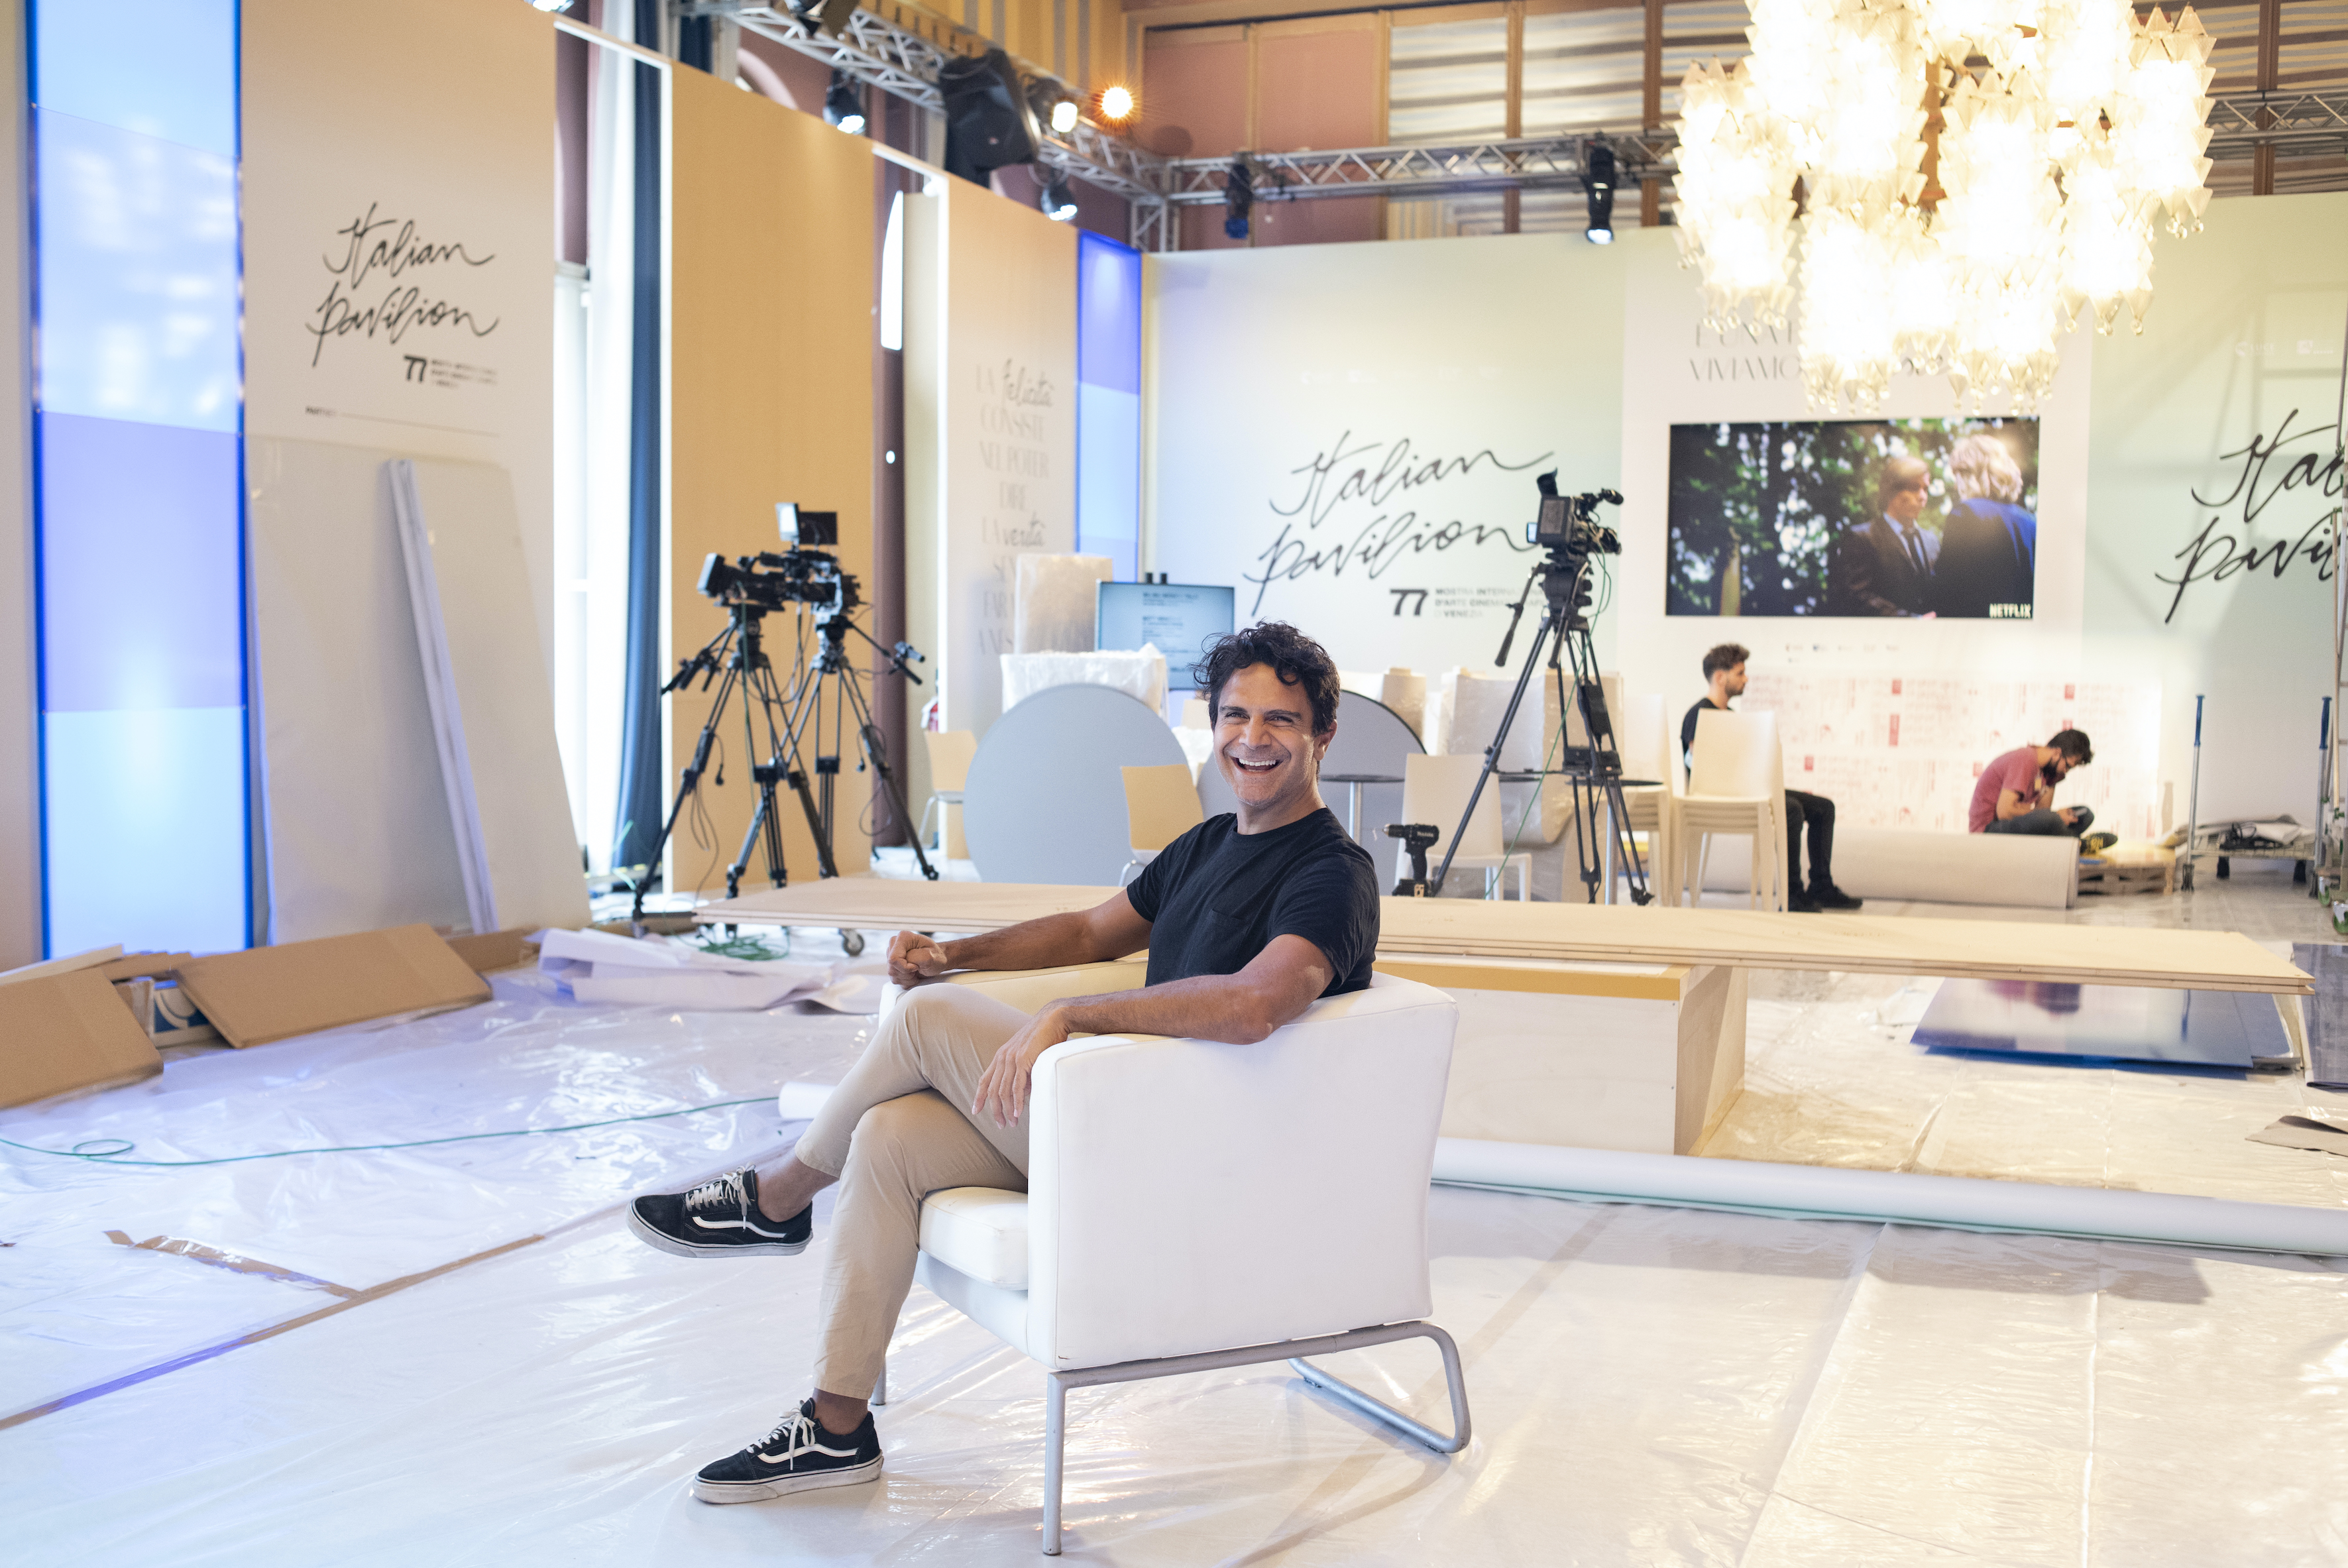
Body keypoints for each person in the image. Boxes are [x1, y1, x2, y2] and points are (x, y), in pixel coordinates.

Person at [624, 621, 1379, 1506]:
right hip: (1111, 1117)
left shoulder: (1332, 872)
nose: (1253, 737)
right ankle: (835, 1427)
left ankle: (779, 1196)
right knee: (887, 1134)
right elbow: (1088, 931)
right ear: (1211, 725)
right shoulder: (1208, 844)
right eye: (1236, 715)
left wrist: (1072, 1013)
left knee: (925, 1018)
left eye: (1281, 719)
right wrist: (952, 954)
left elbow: (1255, 1003)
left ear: (1323, 736)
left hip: (1182, 1152)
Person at [1681, 642, 1862, 913]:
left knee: (1823, 808)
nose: (1746, 679)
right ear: (1720, 677)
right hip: (1723, 795)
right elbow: (1701, 765)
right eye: (1740, 673)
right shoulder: (1699, 714)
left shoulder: (1731, 716)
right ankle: (1792, 894)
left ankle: (1821, 886)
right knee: (1791, 810)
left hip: (1746, 788)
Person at [1932, 433, 2037, 619]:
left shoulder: (1966, 513)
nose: (1956, 485)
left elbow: (1947, 591)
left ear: (1969, 474)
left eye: (1958, 474)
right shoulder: (2031, 521)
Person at [1827, 455, 1938, 617]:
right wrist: (1913, 622)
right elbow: (1857, 597)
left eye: (1926, 489)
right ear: (1891, 490)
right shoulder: (1862, 538)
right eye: (1914, 488)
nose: (1923, 497)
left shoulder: (1932, 542)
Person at [1970, 730, 2096, 836]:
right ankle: (2079, 845)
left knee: (2085, 814)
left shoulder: (2052, 771)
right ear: (2057, 753)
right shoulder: (2025, 759)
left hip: (2015, 823)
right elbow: (2005, 812)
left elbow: (2042, 811)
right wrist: (2056, 816)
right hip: (1988, 829)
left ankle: (2071, 842)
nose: (2066, 771)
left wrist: (2056, 816)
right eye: (2068, 766)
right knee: (2052, 819)